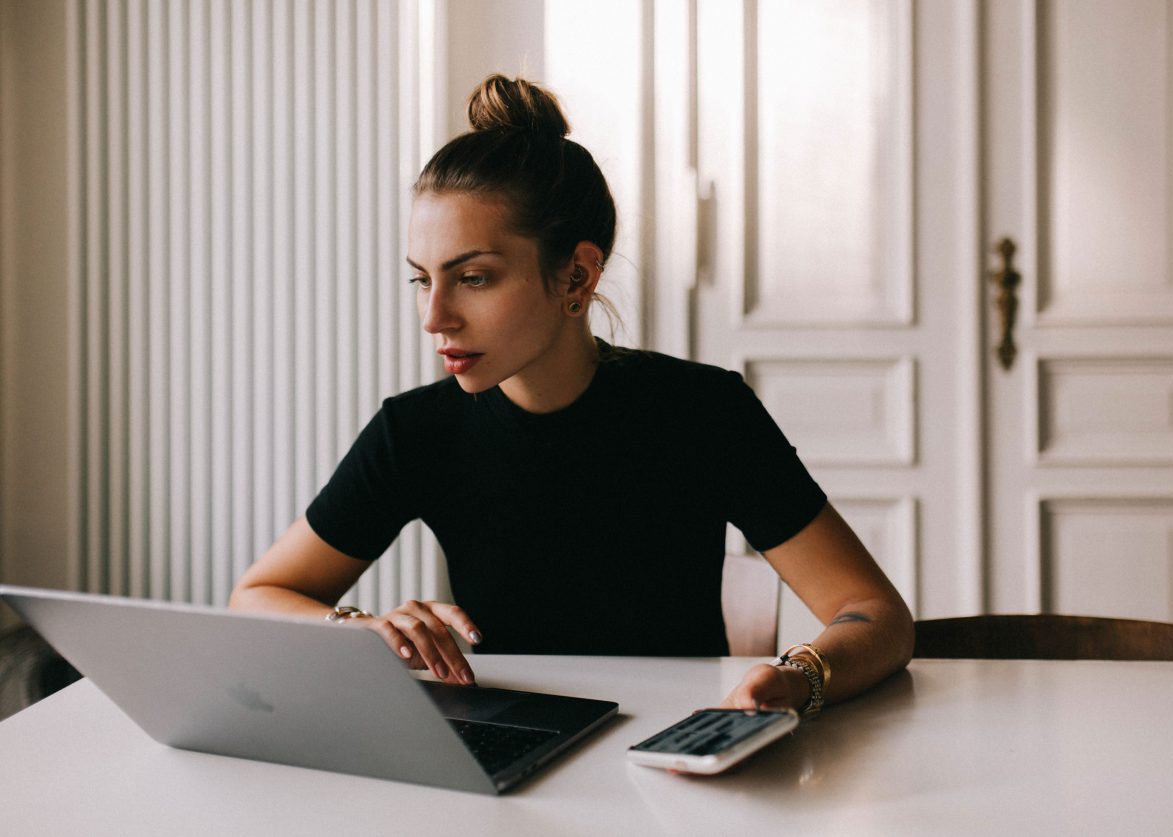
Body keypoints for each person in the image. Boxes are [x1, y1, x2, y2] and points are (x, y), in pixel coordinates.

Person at [230, 74, 913, 716]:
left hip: (676, 749)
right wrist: (359, 627)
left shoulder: (703, 412)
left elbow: (874, 613)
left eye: (472, 277)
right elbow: (255, 596)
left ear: (576, 276)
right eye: (421, 279)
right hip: (510, 757)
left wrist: (800, 675)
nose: (433, 316)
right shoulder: (415, 431)